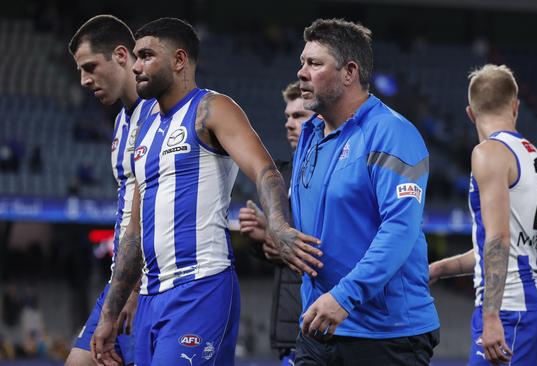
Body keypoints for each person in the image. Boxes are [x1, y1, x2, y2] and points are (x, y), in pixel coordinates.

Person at [90, 18, 320, 366]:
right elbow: (134, 233)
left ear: (179, 60)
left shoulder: (211, 109)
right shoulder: (145, 127)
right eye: (135, 57)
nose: (135, 66)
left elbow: (264, 170)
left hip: (201, 288)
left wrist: (279, 225)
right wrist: (110, 313)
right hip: (152, 298)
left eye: (147, 55)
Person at [286, 18, 439, 365]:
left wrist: (344, 297)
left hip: (388, 334)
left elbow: (400, 227)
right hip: (318, 326)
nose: (302, 72)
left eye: (314, 63)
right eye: (302, 62)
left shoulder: (392, 133)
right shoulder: (310, 135)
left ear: (349, 71)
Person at [428, 64, 537, 365]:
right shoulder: (533, 155)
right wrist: (438, 270)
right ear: (515, 106)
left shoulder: (489, 153)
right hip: (525, 306)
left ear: (470, 112)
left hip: (506, 310)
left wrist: (492, 316)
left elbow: (498, 239)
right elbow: (495, 246)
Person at [66, 14, 157, 366]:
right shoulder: (121, 121)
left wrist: (133, 288)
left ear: (122, 55)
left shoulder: (162, 113)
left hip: (149, 280)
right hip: (121, 275)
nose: (85, 80)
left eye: (90, 67)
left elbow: (153, 203)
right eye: (79, 71)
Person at [238, 81, 314, 365]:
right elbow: (276, 253)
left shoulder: (337, 171)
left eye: (298, 116)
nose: (289, 124)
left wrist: (270, 232)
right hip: (290, 324)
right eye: (287, 117)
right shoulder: (280, 176)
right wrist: (259, 239)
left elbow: (315, 241)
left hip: (327, 321)